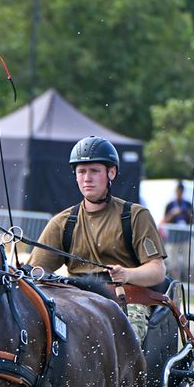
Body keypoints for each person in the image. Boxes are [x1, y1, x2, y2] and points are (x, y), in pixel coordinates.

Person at [26, 136, 166, 341]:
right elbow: (34, 273)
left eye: (94, 171)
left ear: (112, 173)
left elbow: (157, 270)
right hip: (76, 302)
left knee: (126, 342)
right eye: (81, 171)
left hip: (126, 301)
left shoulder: (135, 216)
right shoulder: (62, 223)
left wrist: (127, 274)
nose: (87, 178)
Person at [160, 180, 194, 280]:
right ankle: (176, 283)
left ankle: (192, 285)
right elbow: (164, 221)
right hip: (173, 238)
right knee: (173, 263)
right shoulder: (170, 205)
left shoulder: (188, 204)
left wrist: (187, 214)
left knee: (189, 263)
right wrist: (172, 214)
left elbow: (193, 222)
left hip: (185, 238)